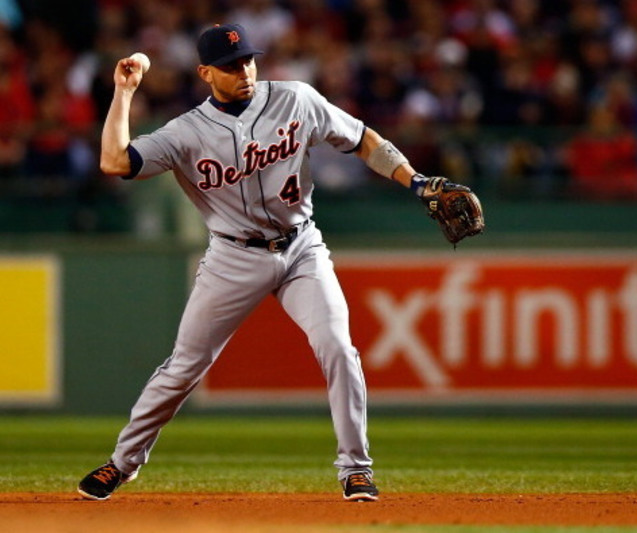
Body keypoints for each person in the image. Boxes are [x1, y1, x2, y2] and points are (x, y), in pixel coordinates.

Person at [78, 22, 466, 503]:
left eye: (247, 60)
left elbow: (363, 138)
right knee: (184, 367)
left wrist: (416, 181)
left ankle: (355, 469)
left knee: (338, 348)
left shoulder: (296, 99)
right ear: (205, 73)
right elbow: (116, 161)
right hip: (232, 256)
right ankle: (122, 464)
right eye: (229, 65)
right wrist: (124, 92)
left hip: (302, 247)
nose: (243, 70)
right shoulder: (186, 132)